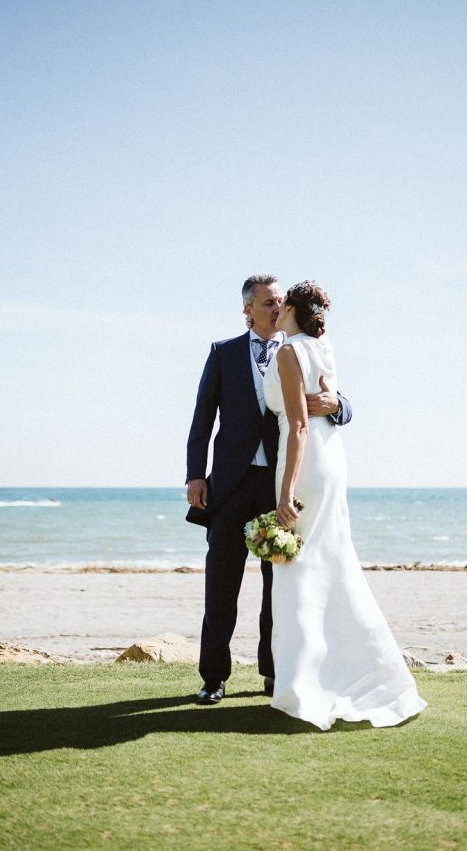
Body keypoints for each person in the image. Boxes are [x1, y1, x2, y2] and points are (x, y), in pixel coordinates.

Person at [264, 281, 426, 729]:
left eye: (282, 306)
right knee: (330, 563)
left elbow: (297, 426)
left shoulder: (289, 351)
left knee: (298, 568)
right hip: (331, 458)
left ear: (294, 308)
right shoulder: (323, 346)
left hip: (305, 462)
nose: (276, 311)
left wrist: (285, 492)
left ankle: (304, 686)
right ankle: (353, 674)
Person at [185, 274, 352, 705]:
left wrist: (338, 406)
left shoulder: (301, 346)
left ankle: (273, 673)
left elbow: (339, 400)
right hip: (229, 486)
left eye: (281, 301)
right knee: (221, 583)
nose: (278, 308)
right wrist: (195, 475)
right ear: (248, 310)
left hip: (281, 482)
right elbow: (202, 418)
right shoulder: (223, 354)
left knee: (278, 583)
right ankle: (214, 676)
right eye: (268, 303)